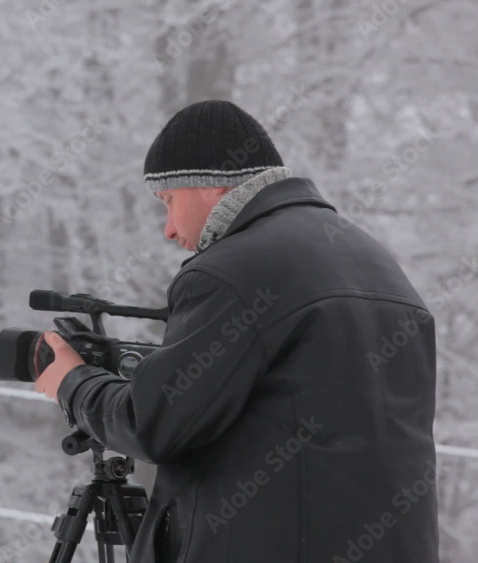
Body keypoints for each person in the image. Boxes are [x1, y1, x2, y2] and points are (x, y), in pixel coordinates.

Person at [33, 100, 439, 562]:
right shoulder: (376, 261)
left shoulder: (232, 270)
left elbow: (153, 426)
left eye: (168, 202)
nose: (168, 229)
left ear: (209, 184)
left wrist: (73, 382)